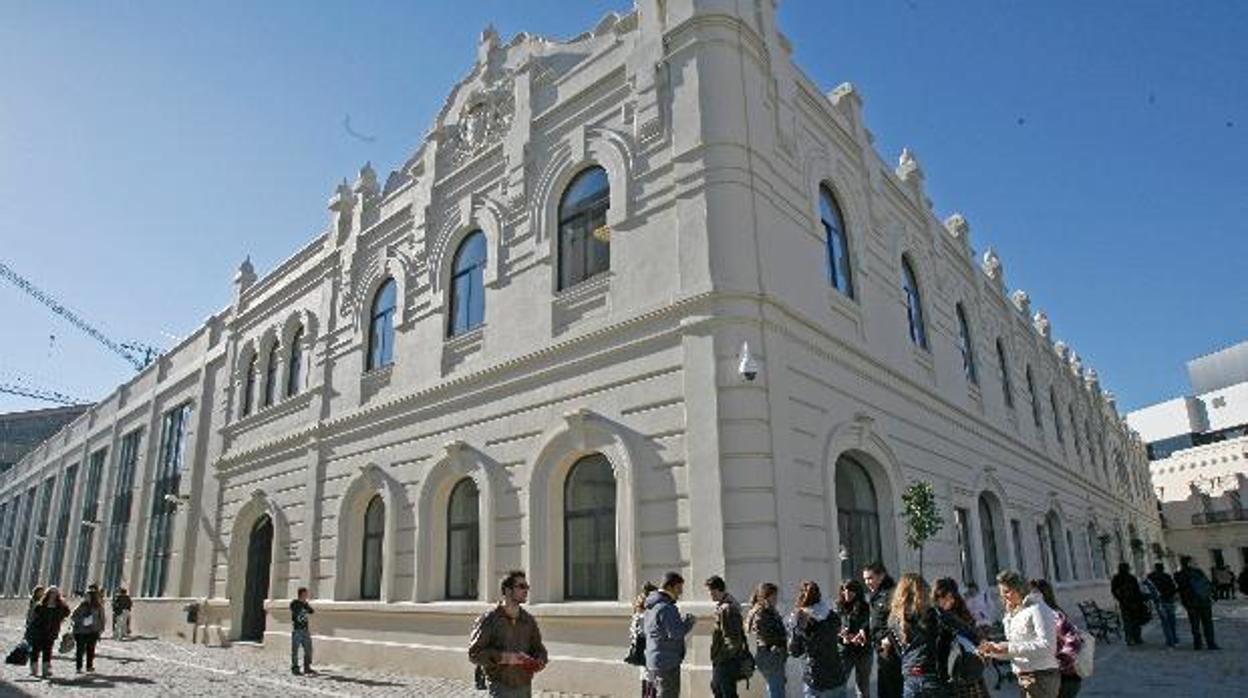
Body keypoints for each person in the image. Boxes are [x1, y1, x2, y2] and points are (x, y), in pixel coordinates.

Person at [978, 570, 1058, 698]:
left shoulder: (1037, 609)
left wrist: (1008, 647)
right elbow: (1016, 650)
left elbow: (1048, 646)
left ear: (1019, 589)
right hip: (1024, 677)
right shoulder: (1015, 613)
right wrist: (993, 650)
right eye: (1001, 593)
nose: (1004, 597)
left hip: (1040, 675)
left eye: (1007, 592)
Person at [468, 570, 548, 697]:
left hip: (525, 686)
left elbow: (539, 649)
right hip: (500, 686)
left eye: (527, 587)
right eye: (521, 586)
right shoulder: (489, 619)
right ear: (507, 590)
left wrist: (540, 660)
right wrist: (503, 657)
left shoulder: (528, 620)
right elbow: (474, 654)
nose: (526, 590)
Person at [884, 573, 947, 698]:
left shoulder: (893, 619)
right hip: (931, 673)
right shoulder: (931, 614)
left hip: (909, 676)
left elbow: (899, 651)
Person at [931, 578, 990, 698]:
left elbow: (968, 631)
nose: (952, 601)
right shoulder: (937, 615)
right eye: (949, 597)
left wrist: (981, 643)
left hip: (961, 668)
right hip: (956, 669)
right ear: (940, 596)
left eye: (953, 597)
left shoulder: (947, 613)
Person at [788, 580, 847, 698]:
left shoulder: (800, 619)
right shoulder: (832, 616)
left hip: (815, 678)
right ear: (819, 595)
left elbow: (795, 651)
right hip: (836, 674)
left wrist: (796, 629)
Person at [644, 572, 697, 698]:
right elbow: (676, 634)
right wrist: (689, 622)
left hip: (654, 659)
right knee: (668, 694)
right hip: (667, 661)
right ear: (669, 587)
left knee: (661, 693)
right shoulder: (667, 608)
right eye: (679, 588)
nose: (680, 593)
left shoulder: (651, 606)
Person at [1028, 580, 1082, 698]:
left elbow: (1073, 642)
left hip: (1062, 680)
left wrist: (1058, 663)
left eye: (1032, 594)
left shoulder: (1053, 616)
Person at [864, 562, 903, 698]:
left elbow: (898, 621)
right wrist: (864, 632)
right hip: (880, 649)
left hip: (891, 650)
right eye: (865, 579)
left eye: (870, 578)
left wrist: (889, 639)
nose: (867, 582)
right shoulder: (876, 595)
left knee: (893, 689)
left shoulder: (891, 593)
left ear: (881, 576)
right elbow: (876, 620)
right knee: (884, 689)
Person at [705, 575, 747, 698]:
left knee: (726, 692)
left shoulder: (727, 608)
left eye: (710, 591)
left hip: (726, 660)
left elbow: (732, 638)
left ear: (717, 590)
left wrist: (724, 658)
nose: (709, 594)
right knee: (718, 688)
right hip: (723, 659)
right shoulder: (724, 606)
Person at [746, 582, 788, 698]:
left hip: (766, 654)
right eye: (774, 596)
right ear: (767, 596)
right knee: (777, 691)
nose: (776, 599)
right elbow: (767, 634)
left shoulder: (759, 610)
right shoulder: (763, 612)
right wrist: (784, 638)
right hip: (770, 653)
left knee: (774, 688)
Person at [836, 579, 872, 698]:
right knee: (840, 683)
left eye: (850, 590)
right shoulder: (839, 607)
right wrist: (841, 636)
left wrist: (861, 634)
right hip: (845, 651)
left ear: (857, 592)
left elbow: (870, 625)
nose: (846, 593)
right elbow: (835, 629)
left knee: (862, 687)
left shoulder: (865, 607)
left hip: (863, 651)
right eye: (844, 590)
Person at [1173, 556, 1218, 650]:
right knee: (1207, 623)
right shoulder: (1198, 572)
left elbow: (1180, 589)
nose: (1195, 563)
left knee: (1195, 624)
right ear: (1189, 563)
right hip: (1203, 601)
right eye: (1193, 562)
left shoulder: (1179, 574)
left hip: (1190, 603)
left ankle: (1198, 643)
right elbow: (1207, 584)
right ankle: (1211, 643)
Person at [27, 586, 70, 679]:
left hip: (52, 631)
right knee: (36, 649)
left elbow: (67, 612)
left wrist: (60, 617)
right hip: (39, 631)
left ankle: (45, 669)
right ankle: (34, 669)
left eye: (55, 593)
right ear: (48, 594)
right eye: (51, 593)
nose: (53, 595)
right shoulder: (41, 605)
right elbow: (34, 617)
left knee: (47, 650)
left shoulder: (60, 606)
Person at [630, 582, 659, 698]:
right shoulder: (647, 615)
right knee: (651, 679)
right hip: (649, 648)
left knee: (646, 677)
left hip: (642, 648)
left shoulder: (638, 614)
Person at [70, 588, 107, 674]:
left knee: (91, 649)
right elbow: (73, 616)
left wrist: (101, 629)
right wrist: (82, 620)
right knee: (80, 649)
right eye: (85, 596)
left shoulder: (98, 607)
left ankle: (89, 666)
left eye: (87, 595)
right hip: (80, 631)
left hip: (93, 631)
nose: (85, 597)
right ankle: (79, 667)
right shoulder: (81, 605)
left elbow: (102, 618)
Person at [1110, 563, 1147, 645]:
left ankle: (1134, 638)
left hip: (1129, 603)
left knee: (1131, 621)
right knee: (1131, 621)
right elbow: (1115, 591)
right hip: (1129, 603)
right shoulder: (1122, 578)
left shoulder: (1127, 578)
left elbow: (1136, 591)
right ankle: (1133, 638)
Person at [1144, 563, 1179, 648]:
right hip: (1169, 600)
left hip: (1159, 602)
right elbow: (1173, 588)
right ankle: (1173, 637)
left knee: (1165, 621)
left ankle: (1170, 640)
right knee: (1172, 620)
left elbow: (1146, 587)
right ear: (1162, 568)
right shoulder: (1167, 576)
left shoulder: (1151, 577)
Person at [290, 587, 315, 675]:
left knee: (309, 649)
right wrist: (303, 604)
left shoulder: (305, 604)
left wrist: (306, 604)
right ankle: (295, 668)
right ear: (301, 594)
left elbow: (312, 611)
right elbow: (295, 610)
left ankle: (307, 667)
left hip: (305, 629)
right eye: (305, 594)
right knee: (295, 650)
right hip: (297, 629)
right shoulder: (295, 603)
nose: (306, 595)